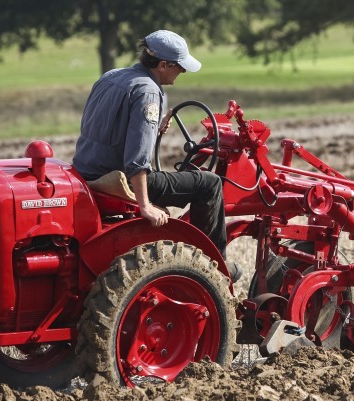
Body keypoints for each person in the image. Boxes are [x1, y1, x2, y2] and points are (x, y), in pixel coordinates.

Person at [73, 30, 240, 282]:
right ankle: (217, 269)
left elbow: (101, 126)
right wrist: (145, 206)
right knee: (209, 184)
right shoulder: (149, 92)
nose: (181, 73)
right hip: (121, 177)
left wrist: (155, 125)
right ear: (163, 65)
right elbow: (137, 160)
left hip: (88, 170)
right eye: (180, 68)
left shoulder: (110, 77)